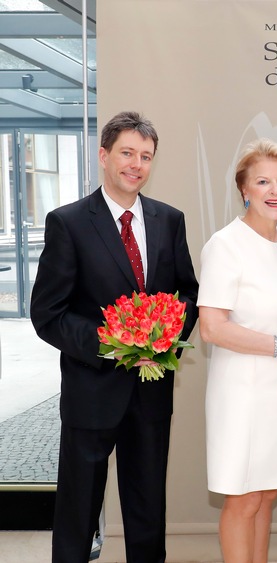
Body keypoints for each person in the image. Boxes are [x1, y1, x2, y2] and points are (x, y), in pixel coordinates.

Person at [30, 111, 199, 562]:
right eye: (127, 153)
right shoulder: (68, 223)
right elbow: (48, 313)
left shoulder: (169, 220)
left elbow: (188, 293)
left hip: (151, 390)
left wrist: (160, 343)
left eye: (146, 156)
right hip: (92, 389)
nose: (136, 164)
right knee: (78, 508)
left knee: (147, 505)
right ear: (104, 156)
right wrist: (120, 343)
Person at [198, 139, 277, 563]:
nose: (275, 189)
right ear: (244, 189)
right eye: (263, 181)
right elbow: (212, 328)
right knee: (244, 500)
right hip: (244, 394)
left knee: (267, 495)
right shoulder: (225, 245)